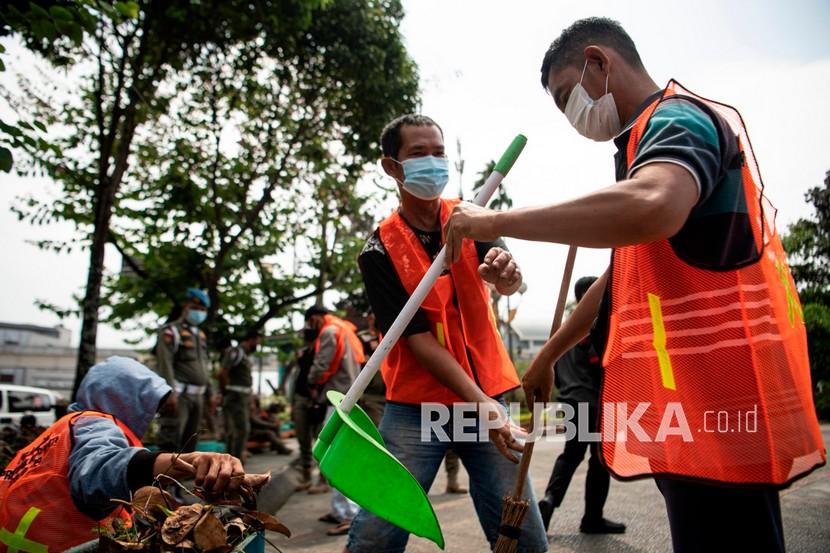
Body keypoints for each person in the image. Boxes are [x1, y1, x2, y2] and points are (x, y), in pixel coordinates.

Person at [443, 17, 825, 553]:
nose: (569, 115)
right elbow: (615, 280)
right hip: (689, 399)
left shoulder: (676, 120)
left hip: (721, 394)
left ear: (598, 63)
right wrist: (547, 356)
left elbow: (653, 206)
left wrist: (490, 221)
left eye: (564, 96)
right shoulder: (641, 147)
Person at [346, 114, 548, 553]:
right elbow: (415, 339)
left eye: (439, 152)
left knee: (522, 531)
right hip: (417, 406)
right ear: (392, 168)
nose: (433, 162)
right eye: (418, 154)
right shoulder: (378, 249)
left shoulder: (473, 217)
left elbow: (508, 282)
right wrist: (481, 405)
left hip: (486, 394)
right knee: (379, 530)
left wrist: (507, 276)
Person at [0, 357, 246, 551]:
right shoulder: (95, 424)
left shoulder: (65, 429)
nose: (150, 417)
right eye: (148, 406)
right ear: (124, 400)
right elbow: (99, 470)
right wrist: (188, 461)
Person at [538, 276, 624, 534]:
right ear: (588, 296)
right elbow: (604, 364)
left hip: (571, 403)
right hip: (595, 403)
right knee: (599, 460)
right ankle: (592, 518)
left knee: (571, 455)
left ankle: (550, 501)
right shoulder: (592, 328)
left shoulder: (563, 332)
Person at [304, 305, 365, 536]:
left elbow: (322, 366)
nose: (311, 327)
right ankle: (339, 510)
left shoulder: (330, 332)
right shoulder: (346, 329)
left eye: (310, 322)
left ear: (317, 318)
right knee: (334, 455)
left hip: (336, 399)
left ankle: (350, 514)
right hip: (346, 397)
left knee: (339, 458)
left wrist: (311, 383)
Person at [154, 287, 214, 453]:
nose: (200, 313)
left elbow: (203, 365)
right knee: (172, 440)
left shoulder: (200, 335)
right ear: (186, 307)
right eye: (196, 309)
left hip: (198, 396)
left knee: (191, 441)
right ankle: (165, 478)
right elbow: (165, 363)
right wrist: (169, 392)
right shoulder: (171, 331)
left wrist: (210, 393)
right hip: (180, 395)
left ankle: (184, 478)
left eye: (203, 310)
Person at [218, 328, 262, 460]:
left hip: (242, 397)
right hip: (235, 396)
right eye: (257, 343)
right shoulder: (235, 352)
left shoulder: (243, 354)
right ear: (250, 340)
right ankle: (234, 461)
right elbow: (222, 373)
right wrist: (225, 392)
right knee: (241, 430)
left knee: (235, 431)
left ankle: (231, 461)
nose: (257, 346)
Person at [290, 332, 325, 491]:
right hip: (301, 399)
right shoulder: (302, 354)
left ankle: (323, 479)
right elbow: (296, 378)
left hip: (319, 401)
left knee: (321, 440)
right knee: (303, 439)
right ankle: (306, 477)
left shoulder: (322, 354)